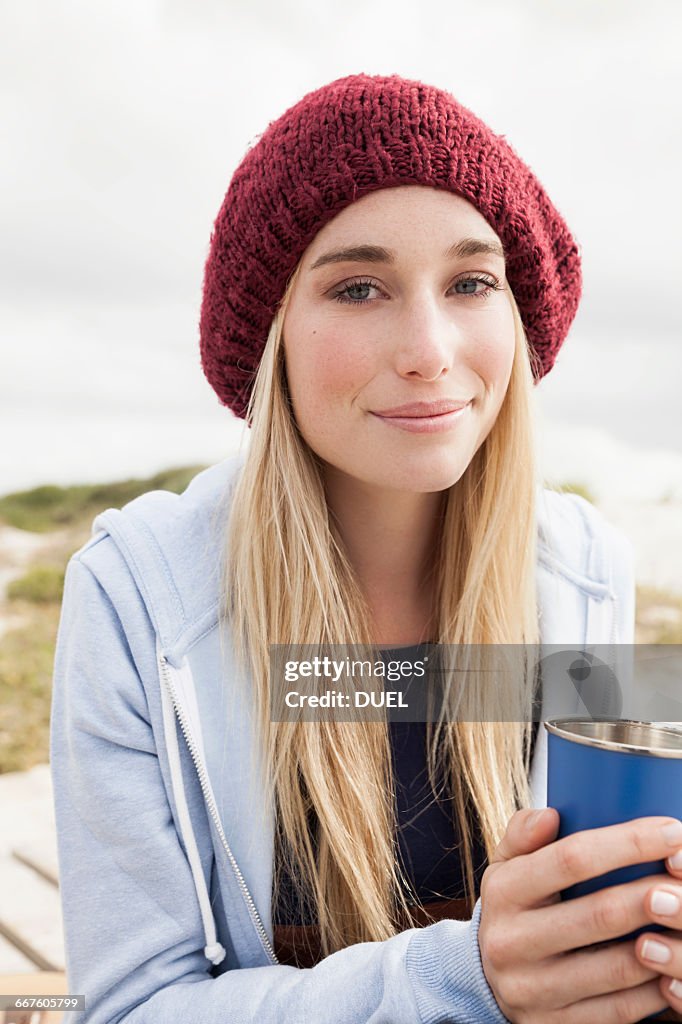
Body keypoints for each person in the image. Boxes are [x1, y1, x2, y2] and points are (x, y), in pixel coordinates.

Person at [49, 72, 682, 1023]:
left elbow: (605, 909)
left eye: (471, 282)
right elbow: (133, 1005)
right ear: (273, 340)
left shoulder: (585, 563)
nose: (428, 347)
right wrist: (463, 979)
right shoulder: (136, 596)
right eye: (357, 287)